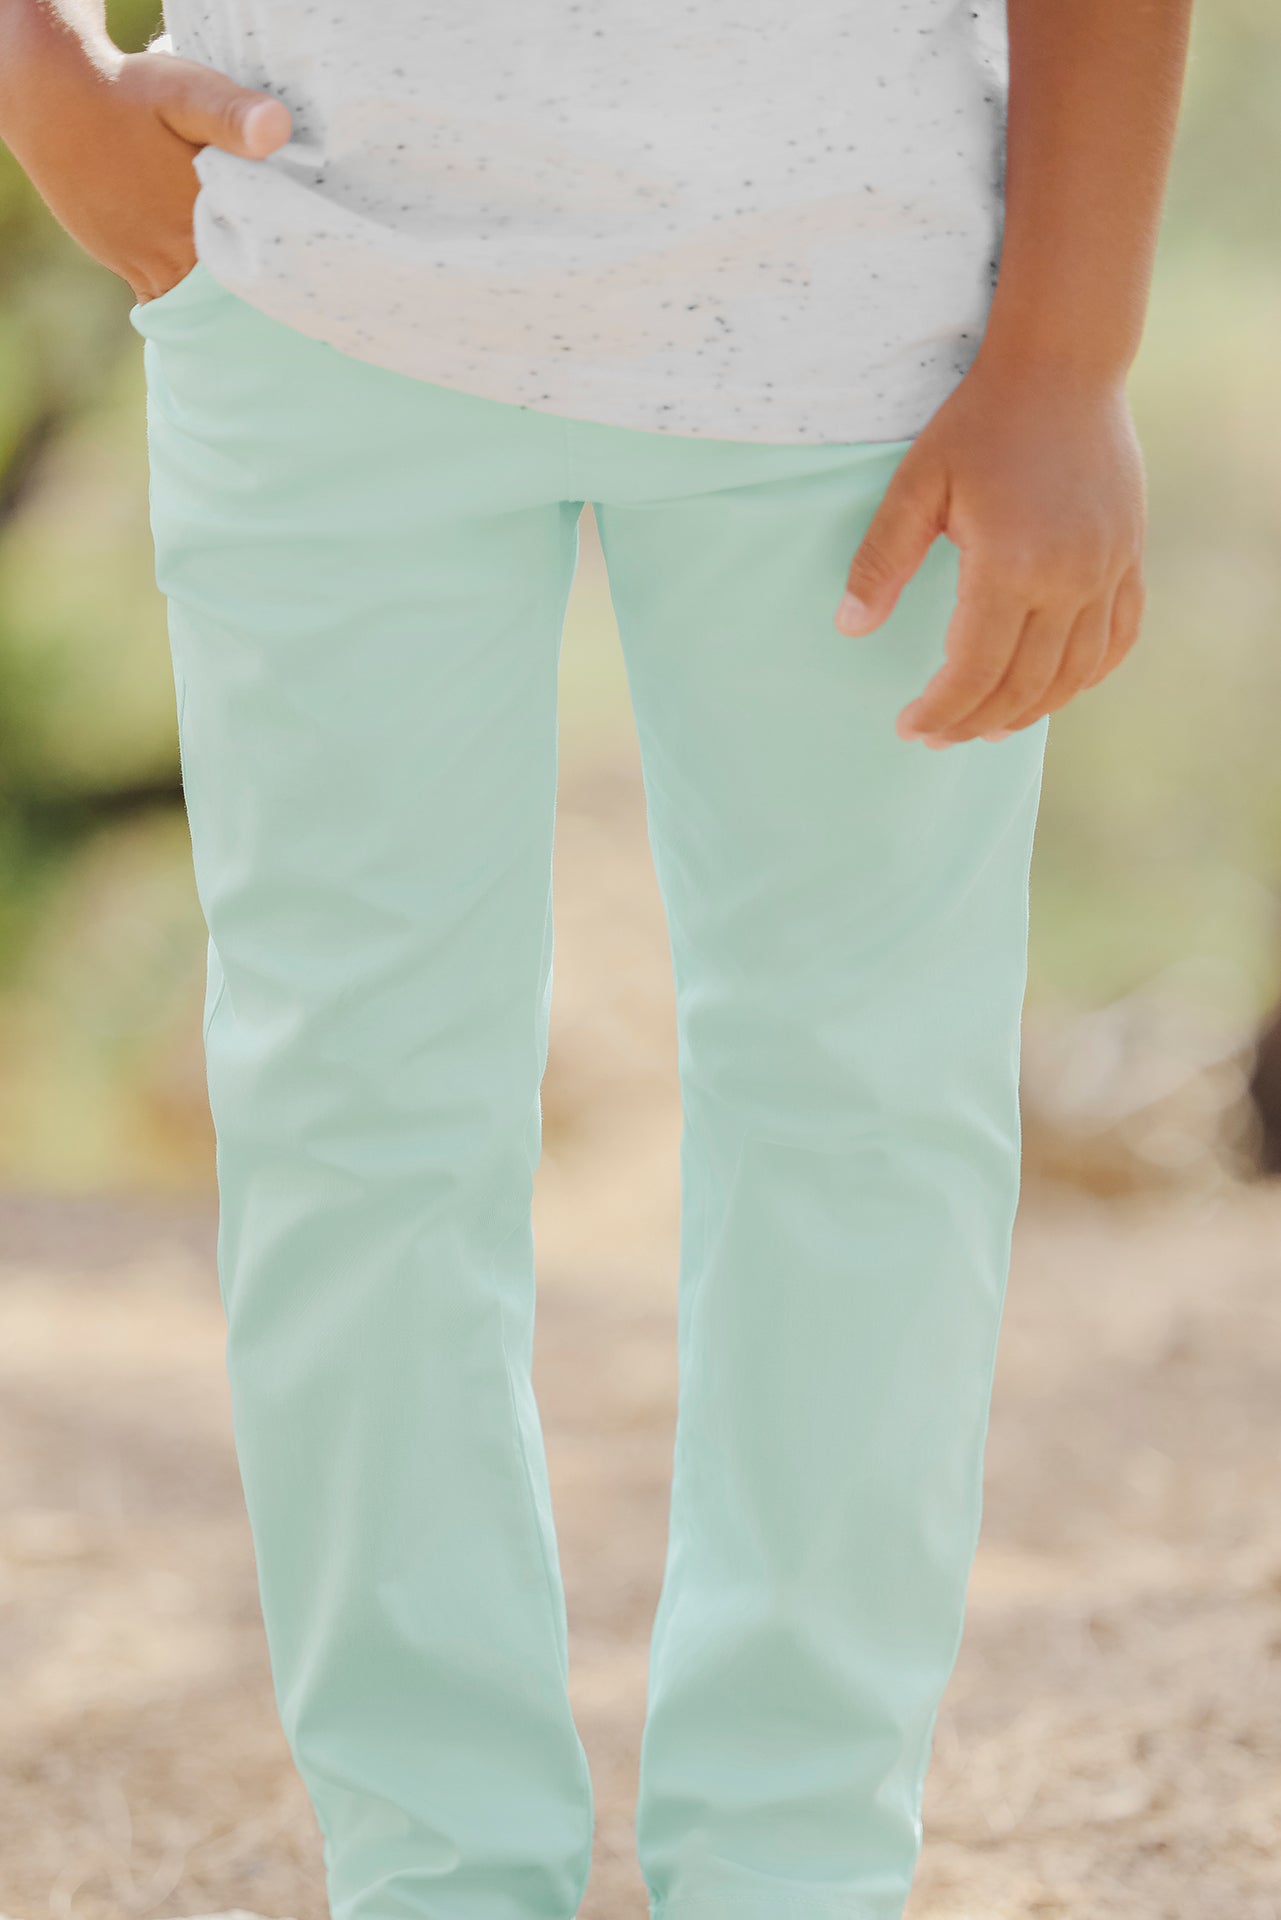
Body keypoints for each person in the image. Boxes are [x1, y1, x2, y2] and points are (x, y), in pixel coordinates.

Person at [0, 4, 1193, 1917]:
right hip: (318, 281)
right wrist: (36, 71)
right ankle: (436, 1880)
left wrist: (1066, 355)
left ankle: (792, 1876)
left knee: (864, 1121)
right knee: (350, 1118)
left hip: (865, 325)